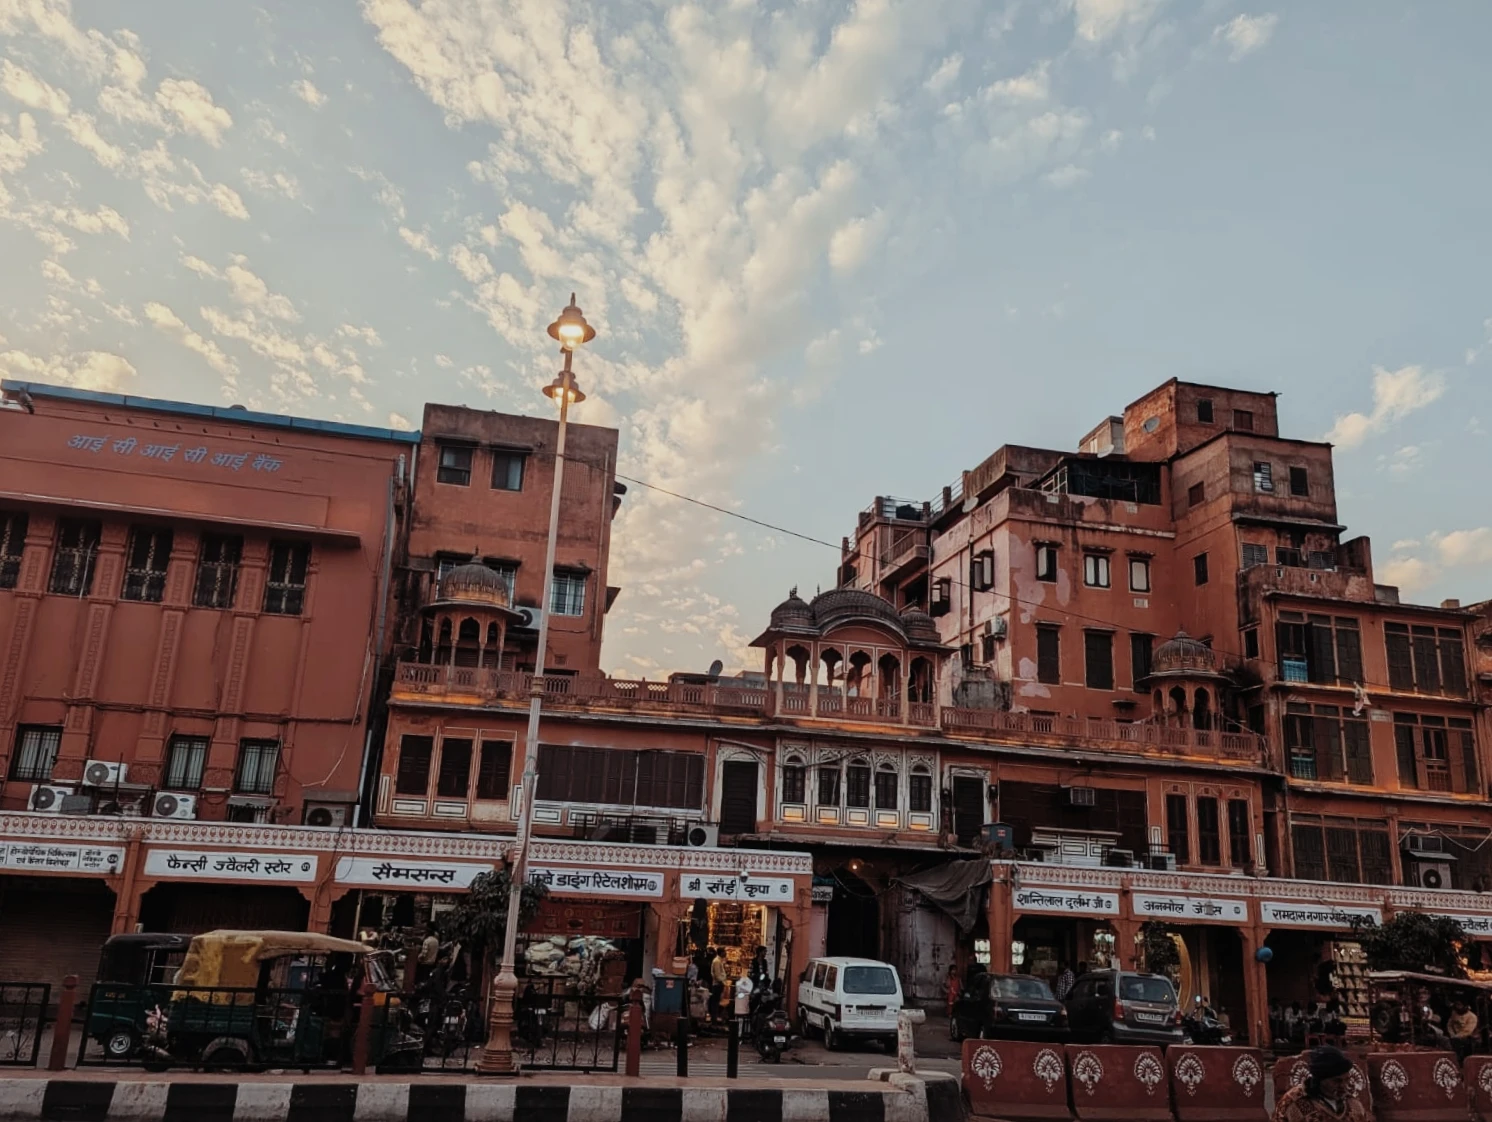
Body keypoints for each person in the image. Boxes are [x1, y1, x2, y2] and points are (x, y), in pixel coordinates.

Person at [1271, 1045, 1369, 1121]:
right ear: (1320, 1079)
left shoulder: (1354, 1105)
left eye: (1347, 1079)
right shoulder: (1293, 1103)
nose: (1343, 1086)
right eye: (1337, 1081)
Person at [710, 947, 728, 1022]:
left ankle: (715, 1017)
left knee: (716, 1001)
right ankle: (714, 1018)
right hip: (717, 985)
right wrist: (722, 982)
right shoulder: (717, 961)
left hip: (718, 984)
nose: (726, 953)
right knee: (715, 1002)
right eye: (724, 951)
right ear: (721, 952)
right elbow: (717, 975)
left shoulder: (719, 961)